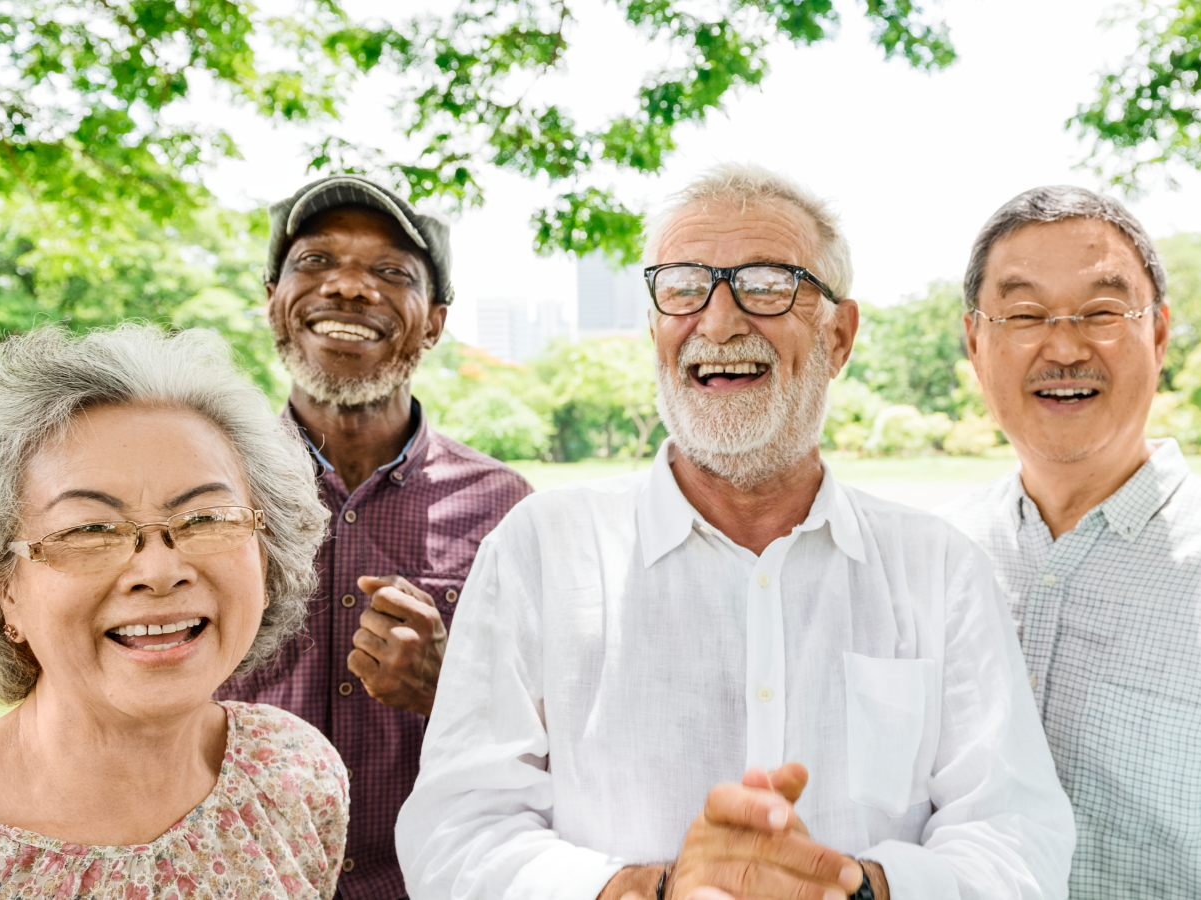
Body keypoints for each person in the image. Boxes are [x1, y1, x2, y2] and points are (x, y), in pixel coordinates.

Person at [397, 164, 1076, 900]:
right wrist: (647, 891)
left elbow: (1017, 838)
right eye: (685, 287)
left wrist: (852, 888)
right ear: (656, 327)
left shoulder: (938, 569)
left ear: (839, 337)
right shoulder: (542, 550)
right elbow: (456, 831)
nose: (718, 323)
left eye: (766, 283)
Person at [934, 186, 1201, 899]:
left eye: (1103, 312)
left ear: (1159, 334)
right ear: (974, 341)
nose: (1064, 346)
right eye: (1024, 315)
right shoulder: (937, 560)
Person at [0, 326, 342, 898]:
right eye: (89, 529)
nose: (160, 571)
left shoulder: (295, 772)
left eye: (208, 518)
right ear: (4, 589)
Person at [214, 175, 533, 900]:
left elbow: (557, 739)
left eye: (391, 272)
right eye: (315, 262)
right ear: (273, 300)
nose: (350, 288)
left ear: (435, 322)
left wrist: (452, 687)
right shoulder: (204, 492)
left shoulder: (507, 509)